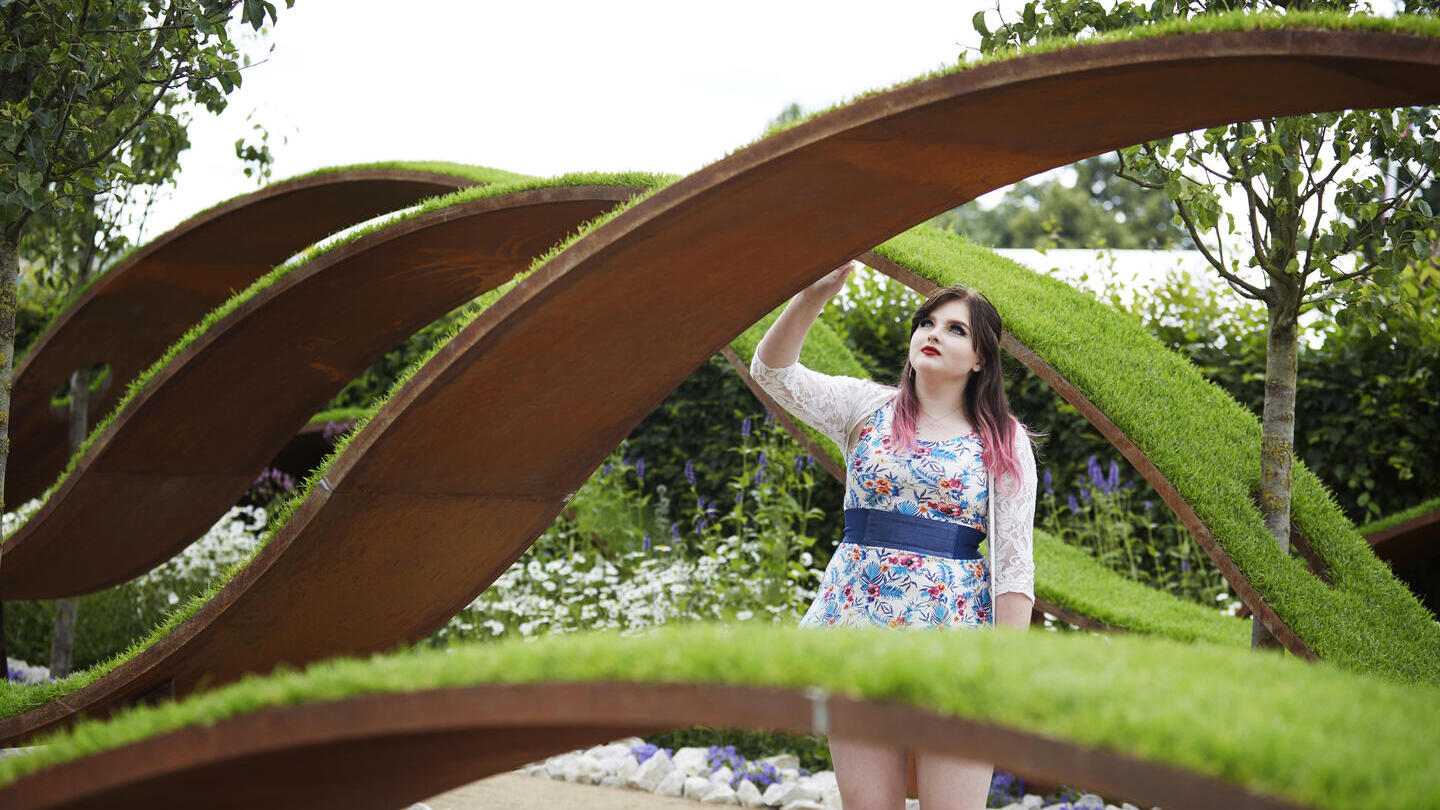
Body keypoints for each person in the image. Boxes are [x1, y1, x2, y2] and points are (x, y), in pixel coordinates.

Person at [751, 261, 1037, 810]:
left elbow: (1013, 564)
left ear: (981, 357)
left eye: (956, 329)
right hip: (857, 630)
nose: (934, 334)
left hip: (955, 639)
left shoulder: (1003, 439)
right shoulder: (866, 407)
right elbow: (772, 372)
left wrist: (1007, 673)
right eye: (927, 322)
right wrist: (811, 295)